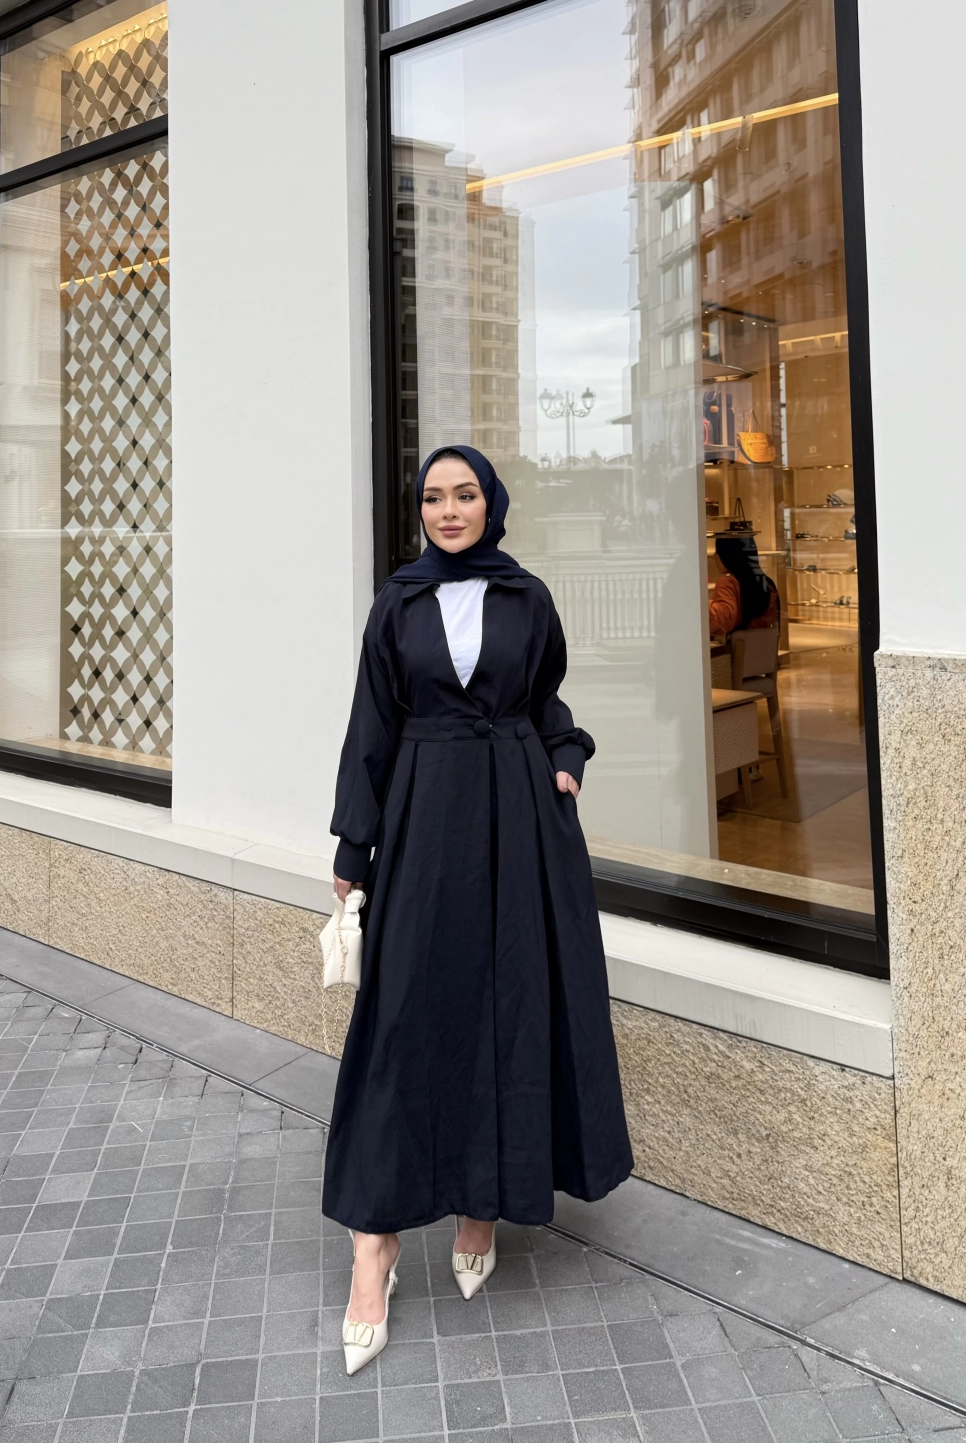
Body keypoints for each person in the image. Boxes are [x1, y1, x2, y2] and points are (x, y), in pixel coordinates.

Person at [324, 444, 634, 1374]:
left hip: (520, 824)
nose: (449, 510)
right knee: (403, 1019)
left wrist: (567, 756)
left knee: (506, 1007)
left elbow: (545, 701)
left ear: (492, 504)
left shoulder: (526, 597)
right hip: (424, 821)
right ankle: (373, 1248)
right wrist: (353, 848)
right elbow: (371, 725)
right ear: (419, 509)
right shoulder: (399, 603)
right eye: (433, 497)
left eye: (465, 495)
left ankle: (480, 1205)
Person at [709, 531, 779, 639]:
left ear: (730, 554)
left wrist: (703, 603)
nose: (714, 556)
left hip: (735, 647)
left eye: (718, 551)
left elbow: (727, 619)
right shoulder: (766, 583)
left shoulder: (728, 583)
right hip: (762, 646)